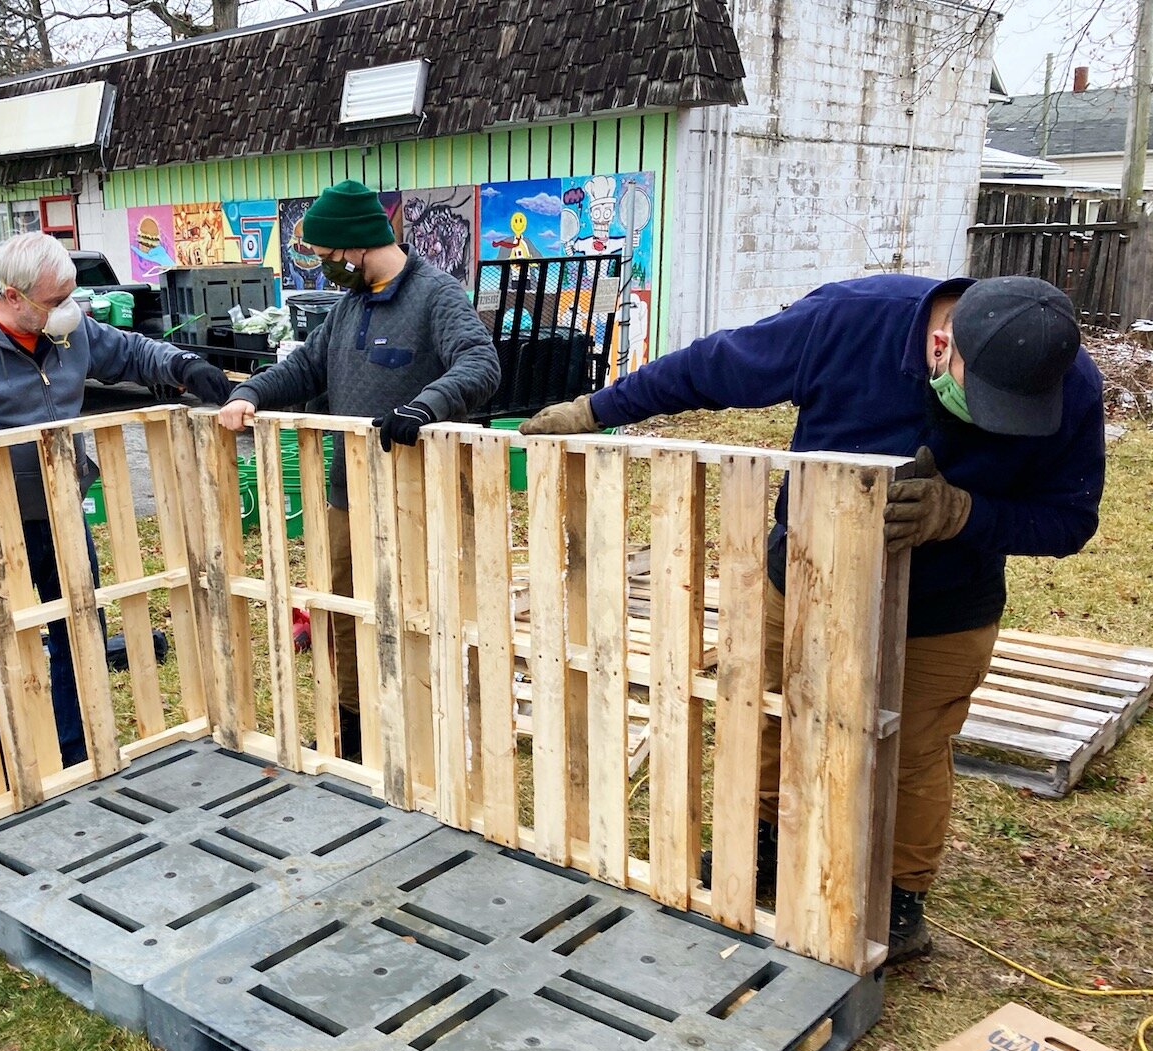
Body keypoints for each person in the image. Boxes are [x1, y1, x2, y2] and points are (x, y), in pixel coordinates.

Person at [520, 274, 1104, 964]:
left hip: (947, 601)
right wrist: (595, 409)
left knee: (913, 748)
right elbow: (710, 368)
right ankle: (768, 840)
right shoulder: (847, 323)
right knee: (775, 711)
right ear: (942, 343)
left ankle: (900, 893)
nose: (986, 417)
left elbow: (1071, 520)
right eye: (980, 397)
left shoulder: (1065, 384)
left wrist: (965, 514)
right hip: (803, 574)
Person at [0, 231, 233, 769]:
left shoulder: (68, 331)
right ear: (11, 295)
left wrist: (183, 367)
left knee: (78, 624)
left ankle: (75, 749)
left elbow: (132, 352)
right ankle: (12, 758)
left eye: (70, 297)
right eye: (54, 302)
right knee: (1, 638)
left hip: (61, 509)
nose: (67, 311)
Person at [217, 180, 501, 762]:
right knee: (345, 609)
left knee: (414, 615)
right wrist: (250, 394)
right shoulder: (350, 307)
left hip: (415, 500)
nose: (325, 271)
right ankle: (355, 735)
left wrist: (426, 405)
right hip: (349, 495)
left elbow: (480, 362)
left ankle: (423, 736)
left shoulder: (434, 296)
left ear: (356, 247)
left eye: (327, 258)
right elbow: (304, 370)